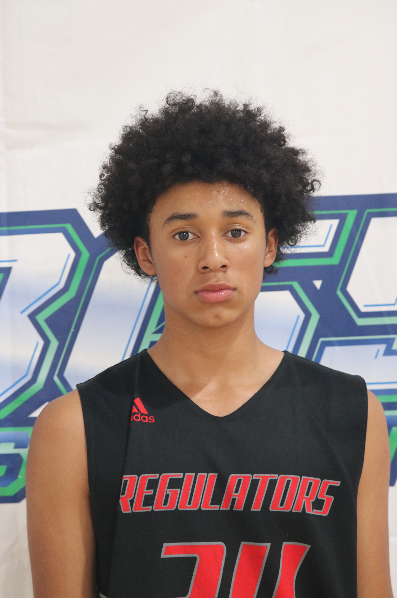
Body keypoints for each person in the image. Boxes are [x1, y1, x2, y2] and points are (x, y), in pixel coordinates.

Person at [26, 92, 393, 598]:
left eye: (236, 231)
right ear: (145, 254)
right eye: (184, 235)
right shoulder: (75, 428)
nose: (213, 257)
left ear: (269, 246)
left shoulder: (351, 412)